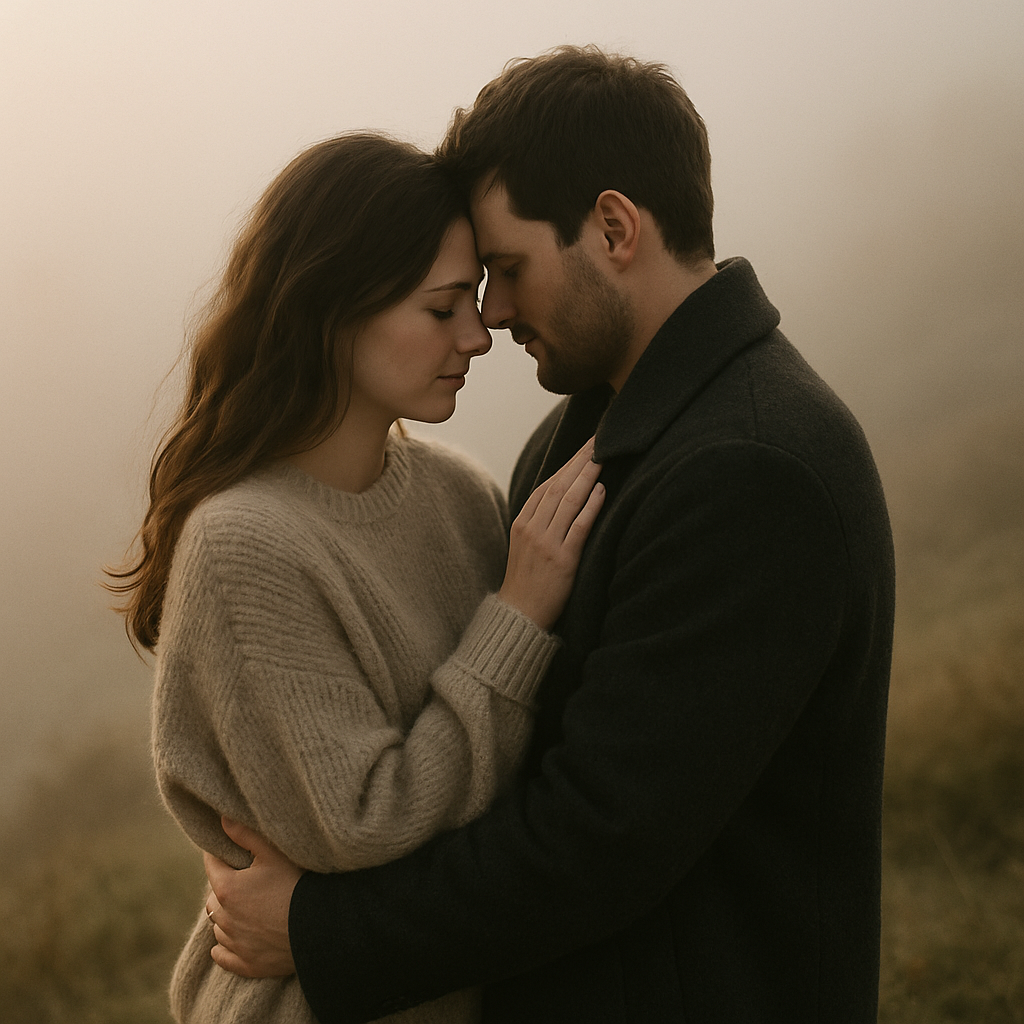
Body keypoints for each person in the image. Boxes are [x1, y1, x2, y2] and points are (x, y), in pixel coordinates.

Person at [203, 46, 896, 1023]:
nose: (491, 314)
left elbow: (596, 841)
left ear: (613, 227)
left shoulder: (755, 467)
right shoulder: (590, 429)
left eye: (507, 269)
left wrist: (320, 930)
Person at [107, 131, 605, 1023]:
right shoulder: (243, 545)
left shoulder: (460, 495)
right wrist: (517, 618)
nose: (477, 334)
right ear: (335, 309)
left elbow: (533, 773)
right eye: (442, 306)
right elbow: (360, 825)